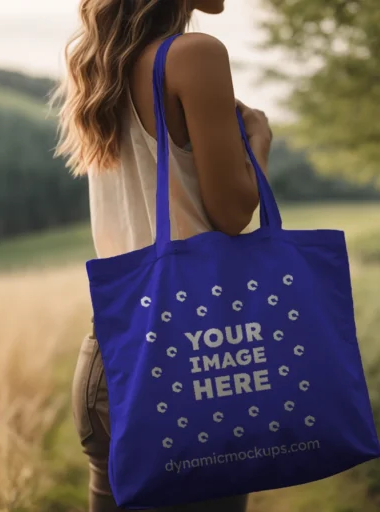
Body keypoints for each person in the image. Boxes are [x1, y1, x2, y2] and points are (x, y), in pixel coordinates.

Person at [53, 1, 273, 510]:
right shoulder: (195, 56)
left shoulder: (98, 63)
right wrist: (258, 144)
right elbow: (233, 212)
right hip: (197, 356)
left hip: (109, 362)